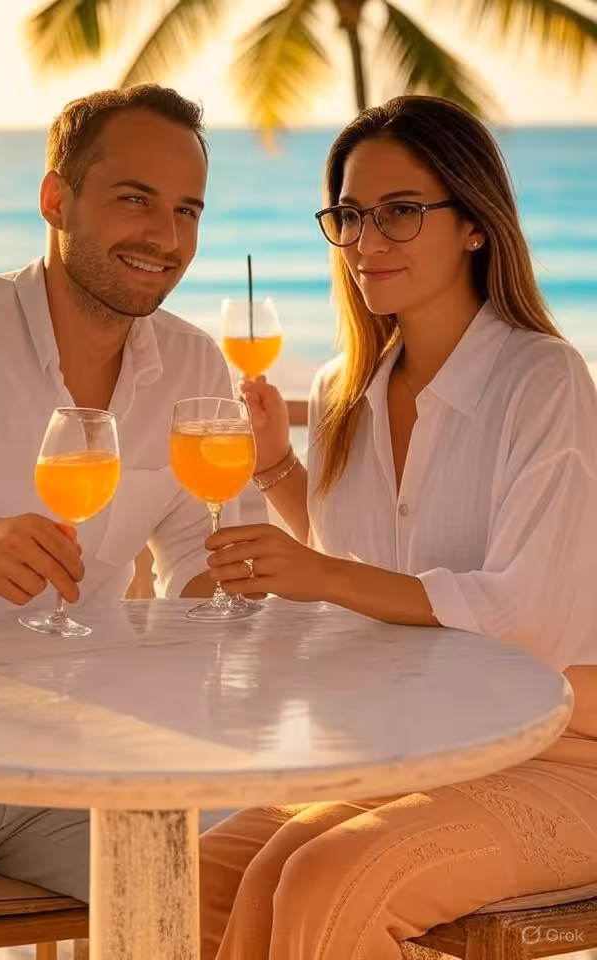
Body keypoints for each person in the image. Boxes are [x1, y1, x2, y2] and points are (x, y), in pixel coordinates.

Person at [199, 95, 597, 959]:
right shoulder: (349, 385)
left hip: (566, 748)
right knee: (197, 877)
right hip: (420, 742)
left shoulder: (544, 380)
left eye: (401, 212)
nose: (367, 241)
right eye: (349, 216)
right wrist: (276, 469)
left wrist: (314, 573)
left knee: (321, 880)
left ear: (474, 226)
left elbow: (527, 619)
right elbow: (370, 563)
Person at [0, 83, 263, 945]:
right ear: (57, 199)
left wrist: (236, 580)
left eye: (187, 210)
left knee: (270, 887)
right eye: (135, 200)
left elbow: (202, 565)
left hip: (95, 759)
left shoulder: (195, 364)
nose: (165, 238)